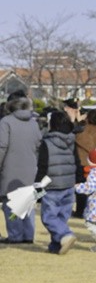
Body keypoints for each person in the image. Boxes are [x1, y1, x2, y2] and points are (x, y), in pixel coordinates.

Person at [0, 93, 42, 244]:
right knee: (27, 202)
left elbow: (2, 146)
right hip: (31, 168)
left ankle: (15, 235)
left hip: (10, 168)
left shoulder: (6, 122)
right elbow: (38, 145)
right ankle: (28, 235)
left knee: (10, 203)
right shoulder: (34, 122)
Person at [35, 111, 78, 254]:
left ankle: (65, 235)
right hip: (68, 184)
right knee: (61, 217)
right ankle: (56, 245)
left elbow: (42, 166)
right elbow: (76, 161)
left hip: (52, 184)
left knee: (49, 217)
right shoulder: (72, 140)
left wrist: (37, 187)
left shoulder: (46, 142)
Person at [74, 109, 96, 218]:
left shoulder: (83, 129)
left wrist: (79, 122)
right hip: (93, 161)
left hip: (82, 160)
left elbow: (79, 139)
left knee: (81, 187)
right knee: (92, 187)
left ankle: (80, 210)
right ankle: (90, 210)